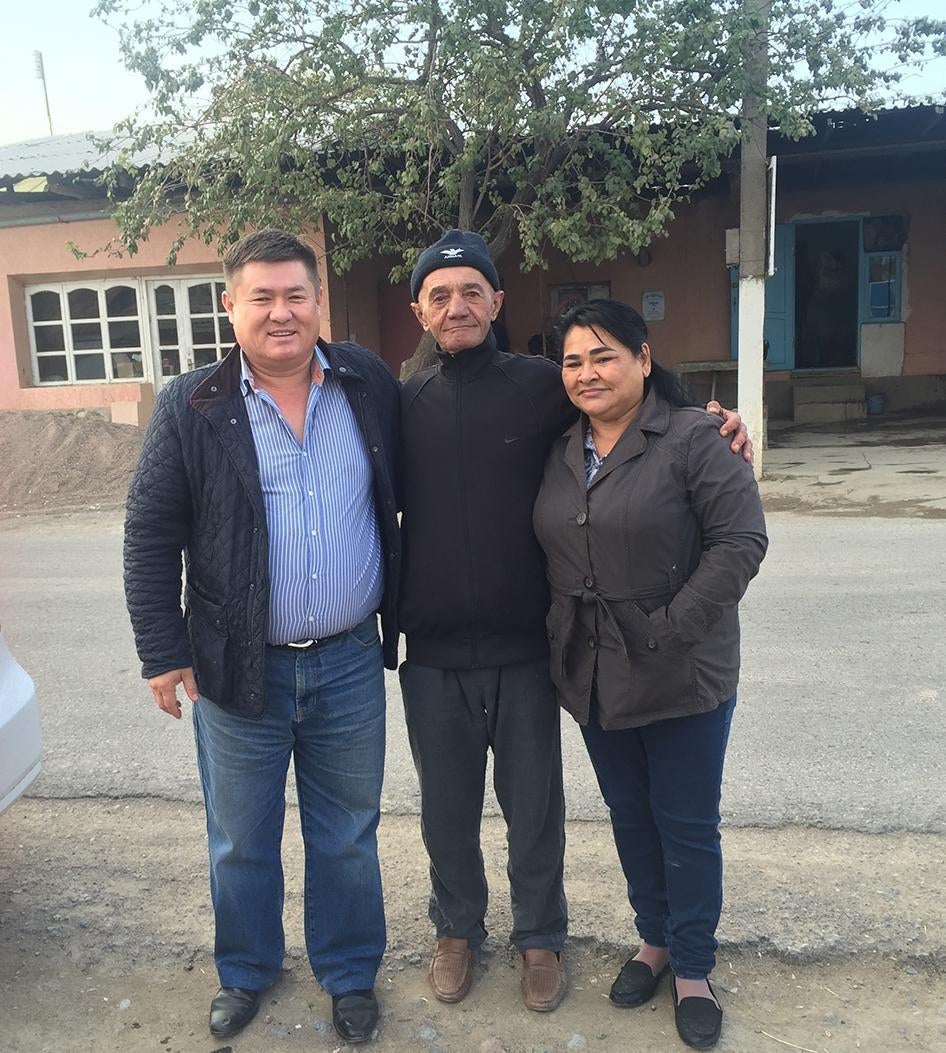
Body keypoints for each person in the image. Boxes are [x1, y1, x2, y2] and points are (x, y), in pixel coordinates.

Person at [398, 230, 752, 1014]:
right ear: (418, 310)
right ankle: (457, 929)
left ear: (497, 301)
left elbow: (639, 398)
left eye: (472, 291)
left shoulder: (538, 385)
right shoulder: (403, 402)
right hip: (444, 654)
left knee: (541, 810)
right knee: (449, 810)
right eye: (440, 294)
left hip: (535, 649)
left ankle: (544, 939)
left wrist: (719, 419)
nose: (457, 306)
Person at [123, 229, 400, 1045]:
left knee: (347, 833)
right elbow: (149, 535)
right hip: (235, 664)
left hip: (349, 658)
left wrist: (678, 411)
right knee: (241, 836)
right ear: (230, 306)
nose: (282, 313)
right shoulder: (191, 404)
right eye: (262, 297)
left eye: (296, 295)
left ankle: (348, 972)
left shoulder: (366, 381)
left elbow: (470, 406)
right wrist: (162, 651)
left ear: (320, 301)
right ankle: (246, 969)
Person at [532, 299, 767, 1049]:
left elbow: (740, 542)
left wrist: (670, 628)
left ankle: (694, 965)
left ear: (642, 355)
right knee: (632, 818)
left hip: (680, 669)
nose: (588, 372)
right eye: (572, 360)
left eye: (603, 355)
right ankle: (654, 941)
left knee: (687, 824)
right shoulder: (561, 446)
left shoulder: (695, 435)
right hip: (595, 670)